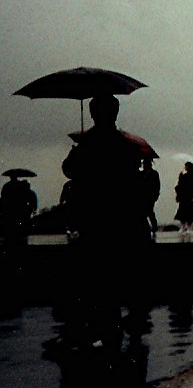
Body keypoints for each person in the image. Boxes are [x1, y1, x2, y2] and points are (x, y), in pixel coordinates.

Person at [53, 94, 151, 352]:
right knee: (123, 273)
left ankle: (103, 328)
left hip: (95, 219)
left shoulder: (87, 143)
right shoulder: (127, 144)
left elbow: (70, 170)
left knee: (97, 276)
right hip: (123, 219)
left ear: (93, 113)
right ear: (115, 113)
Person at [0, 173, 37, 244]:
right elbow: (32, 199)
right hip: (21, 210)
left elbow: (3, 197)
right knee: (21, 228)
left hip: (10, 210)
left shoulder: (7, 186)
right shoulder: (20, 186)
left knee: (11, 228)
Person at [174, 161, 193, 232]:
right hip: (183, 196)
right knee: (182, 212)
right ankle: (182, 226)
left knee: (190, 212)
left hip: (191, 196)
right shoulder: (183, 176)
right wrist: (178, 196)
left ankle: (189, 226)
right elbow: (179, 186)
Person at [141, 158, 160, 241]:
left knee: (149, 211)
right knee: (147, 212)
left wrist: (155, 195)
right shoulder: (141, 173)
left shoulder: (154, 174)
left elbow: (157, 185)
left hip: (150, 195)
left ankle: (153, 226)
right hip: (143, 195)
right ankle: (152, 227)